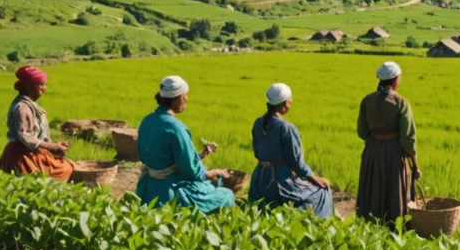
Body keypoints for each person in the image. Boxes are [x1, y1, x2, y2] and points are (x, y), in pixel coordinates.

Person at [136, 75, 236, 213]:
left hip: (148, 187)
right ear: (177, 99)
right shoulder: (176, 129)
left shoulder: (146, 121)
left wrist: (199, 156)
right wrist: (215, 172)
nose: (186, 99)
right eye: (184, 96)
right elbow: (192, 172)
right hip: (170, 190)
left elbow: (158, 157)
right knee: (226, 195)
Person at [248, 83, 334, 218]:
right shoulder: (287, 129)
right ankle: (318, 227)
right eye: (290, 100)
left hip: (259, 179)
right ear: (285, 104)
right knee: (323, 191)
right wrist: (314, 178)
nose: (291, 102)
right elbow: (296, 163)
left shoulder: (258, 123)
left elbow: (257, 151)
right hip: (280, 182)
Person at [356, 62, 421, 224]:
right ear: (395, 80)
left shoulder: (367, 101)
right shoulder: (401, 103)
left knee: (373, 188)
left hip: (372, 150)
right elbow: (408, 138)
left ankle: (369, 223)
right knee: (395, 190)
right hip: (394, 152)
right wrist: (415, 165)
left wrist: (376, 142)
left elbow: (362, 132)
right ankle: (394, 226)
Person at [0, 66, 73, 180]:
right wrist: (52, 146)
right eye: (42, 84)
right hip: (23, 156)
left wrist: (54, 146)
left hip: (27, 151)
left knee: (65, 166)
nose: (45, 88)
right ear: (31, 86)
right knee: (63, 170)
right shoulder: (22, 108)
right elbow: (26, 138)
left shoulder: (26, 104)